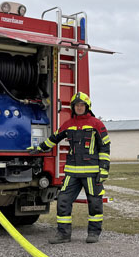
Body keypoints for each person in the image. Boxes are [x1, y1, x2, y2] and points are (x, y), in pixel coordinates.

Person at [32, 92, 111, 244]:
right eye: (76, 105)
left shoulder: (97, 124)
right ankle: (63, 234)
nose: (79, 107)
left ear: (87, 107)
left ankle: (94, 233)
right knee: (63, 200)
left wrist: (104, 170)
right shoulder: (69, 124)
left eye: (82, 105)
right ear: (73, 107)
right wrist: (39, 148)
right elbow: (54, 139)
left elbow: (105, 148)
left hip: (92, 173)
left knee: (94, 203)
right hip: (72, 173)